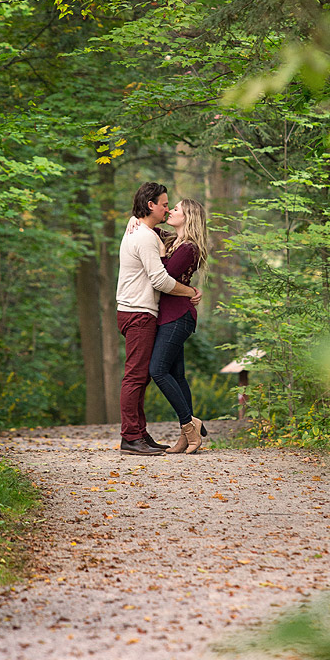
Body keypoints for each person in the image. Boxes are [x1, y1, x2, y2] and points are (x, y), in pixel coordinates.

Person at [116, 182, 201, 456]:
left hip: (143, 311)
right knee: (136, 377)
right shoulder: (143, 236)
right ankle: (131, 437)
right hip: (138, 311)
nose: (167, 208)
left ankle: (140, 434)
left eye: (171, 206)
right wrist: (191, 291)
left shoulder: (147, 233)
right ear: (150, 205)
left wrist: (136, 221)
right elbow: (161, 280)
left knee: (143, 376)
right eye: (165, 204)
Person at [148, 199, 209, 454]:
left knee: (158, 370)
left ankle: (189, 424)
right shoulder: (173, 240)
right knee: (177, 376)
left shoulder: (189, 248)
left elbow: (165, 276)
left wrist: (160, 252)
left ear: (188, 217)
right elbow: (146, 226)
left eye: (176, 209)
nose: (170, 211)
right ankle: (187, 436)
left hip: (178, 316)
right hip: (169, 316)